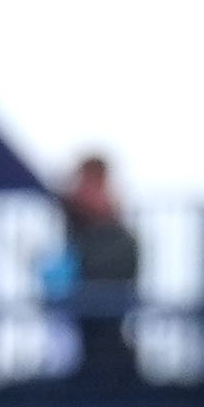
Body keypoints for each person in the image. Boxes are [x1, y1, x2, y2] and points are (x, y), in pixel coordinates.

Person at [49, 155, 143, 389]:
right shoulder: (76, 233)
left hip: (106, 343)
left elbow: (106, 276)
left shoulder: (121, 240)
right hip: (77, 344)